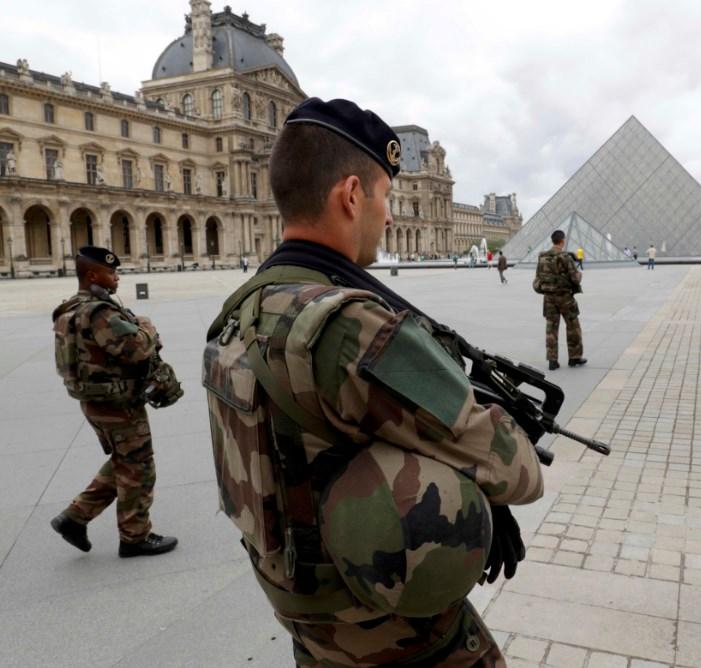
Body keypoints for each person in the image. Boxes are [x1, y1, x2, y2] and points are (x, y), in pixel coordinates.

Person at [203, 98, 544, 667]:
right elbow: (517, 471)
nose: (388, 216)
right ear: (353, 195)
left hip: (308, 619)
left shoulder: (243, 310)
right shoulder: (349, 328)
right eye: (385, 196)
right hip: (393, 638)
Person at [49, 246, 178, 557]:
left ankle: (75, 517)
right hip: (117, 403)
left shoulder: (70, 308)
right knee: (139, 465)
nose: (116, 278)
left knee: (126, 458)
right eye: (111, 273)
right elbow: (137, 349)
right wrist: (147, 328)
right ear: (93, 275)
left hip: (95, 401)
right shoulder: (100, 313)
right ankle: (135, 537)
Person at [533, 229, 586, 371]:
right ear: (562, 240)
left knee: (551, 329)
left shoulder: (542, 257)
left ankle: (552, 360)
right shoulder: (565, 257)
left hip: (549, 298)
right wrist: (579, 274)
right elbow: (575, 278)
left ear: (553, 241)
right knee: (573, 326)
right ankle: (574, 358)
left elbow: (537, 279)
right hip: (565, 297)